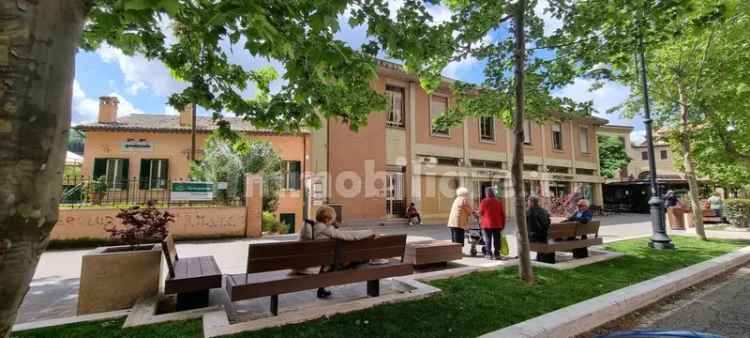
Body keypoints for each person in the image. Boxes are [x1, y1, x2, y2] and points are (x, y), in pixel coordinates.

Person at [297, 205, 375, 298]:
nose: (333, 221)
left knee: (338, 256)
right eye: (332, 219)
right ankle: (364, 276)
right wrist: (370, 232)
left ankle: (322, 289)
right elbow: (350, 236)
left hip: (311, 264)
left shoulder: (312, 228)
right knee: (362, 258)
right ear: (327, 219)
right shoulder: (325, 229)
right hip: (322, 266)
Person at [479, 187, 506, 260]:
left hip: (487, 224)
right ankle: (497, 254)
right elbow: (503, 214)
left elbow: (481, 212)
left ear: (486, 193)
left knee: (488, 239)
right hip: (497, 224)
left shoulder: (484, 201)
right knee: (497, 239)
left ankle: (488, 254)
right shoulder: (498, 202)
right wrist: (503, 225)